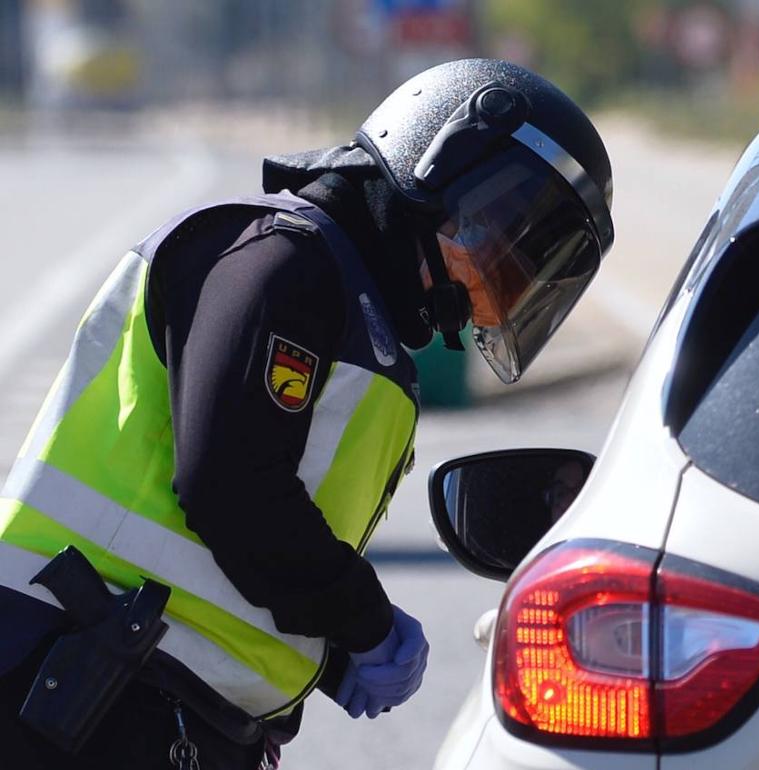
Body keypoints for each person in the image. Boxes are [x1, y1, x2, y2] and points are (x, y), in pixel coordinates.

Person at [0, 58, 615, 769]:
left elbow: (217, 565)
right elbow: (231, 485)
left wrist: (322, 652)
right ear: (439, 160)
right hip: (70, 689)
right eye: (492, 244)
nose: (486, 290)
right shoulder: (280, 263)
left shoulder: (353, 313)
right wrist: (361, 619)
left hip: (141, 700)